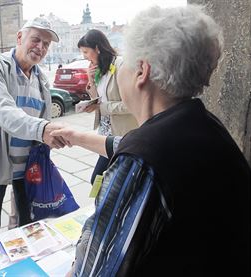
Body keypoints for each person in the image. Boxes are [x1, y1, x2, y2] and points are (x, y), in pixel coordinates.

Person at [52, 5, 250, 276]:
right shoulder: (202, 125)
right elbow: (135, 147)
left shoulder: (142, 161)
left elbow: (92, 270)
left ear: (141, 71)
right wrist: (76, 136)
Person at [0, 17, 66, 246]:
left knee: (28, 228)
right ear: (20, 37)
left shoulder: (41, 78)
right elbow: (3, 110)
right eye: (36, 40)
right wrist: (43, 129)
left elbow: (45, 118)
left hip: (28, 168)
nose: (40, 48)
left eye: (46, 44)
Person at [77, 29, 137, 184]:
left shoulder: (121, 66)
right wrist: (90, 78)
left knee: (99, 179)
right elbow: (97, 99)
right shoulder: (101, 68)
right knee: (102, 180)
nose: (84, 57)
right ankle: (107, 206)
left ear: (97, 48)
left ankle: (108, 206)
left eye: (86, 52)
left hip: (120, 135)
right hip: (104, 135)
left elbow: (131, 105)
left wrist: (102, 108)